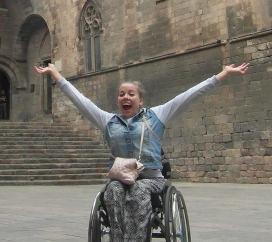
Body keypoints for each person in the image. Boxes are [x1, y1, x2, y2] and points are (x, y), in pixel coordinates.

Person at [34, 62, 249, 241]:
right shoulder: (108, 121)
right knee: (113, 190)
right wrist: (55, 74)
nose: (125, 97)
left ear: (140, 99)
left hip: (152, 179)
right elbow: (80, 101)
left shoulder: (157, 116)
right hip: (121, 178)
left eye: (131, 94)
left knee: (139, 190)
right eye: (121, 94)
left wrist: (222, 74)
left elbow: (189, 95)